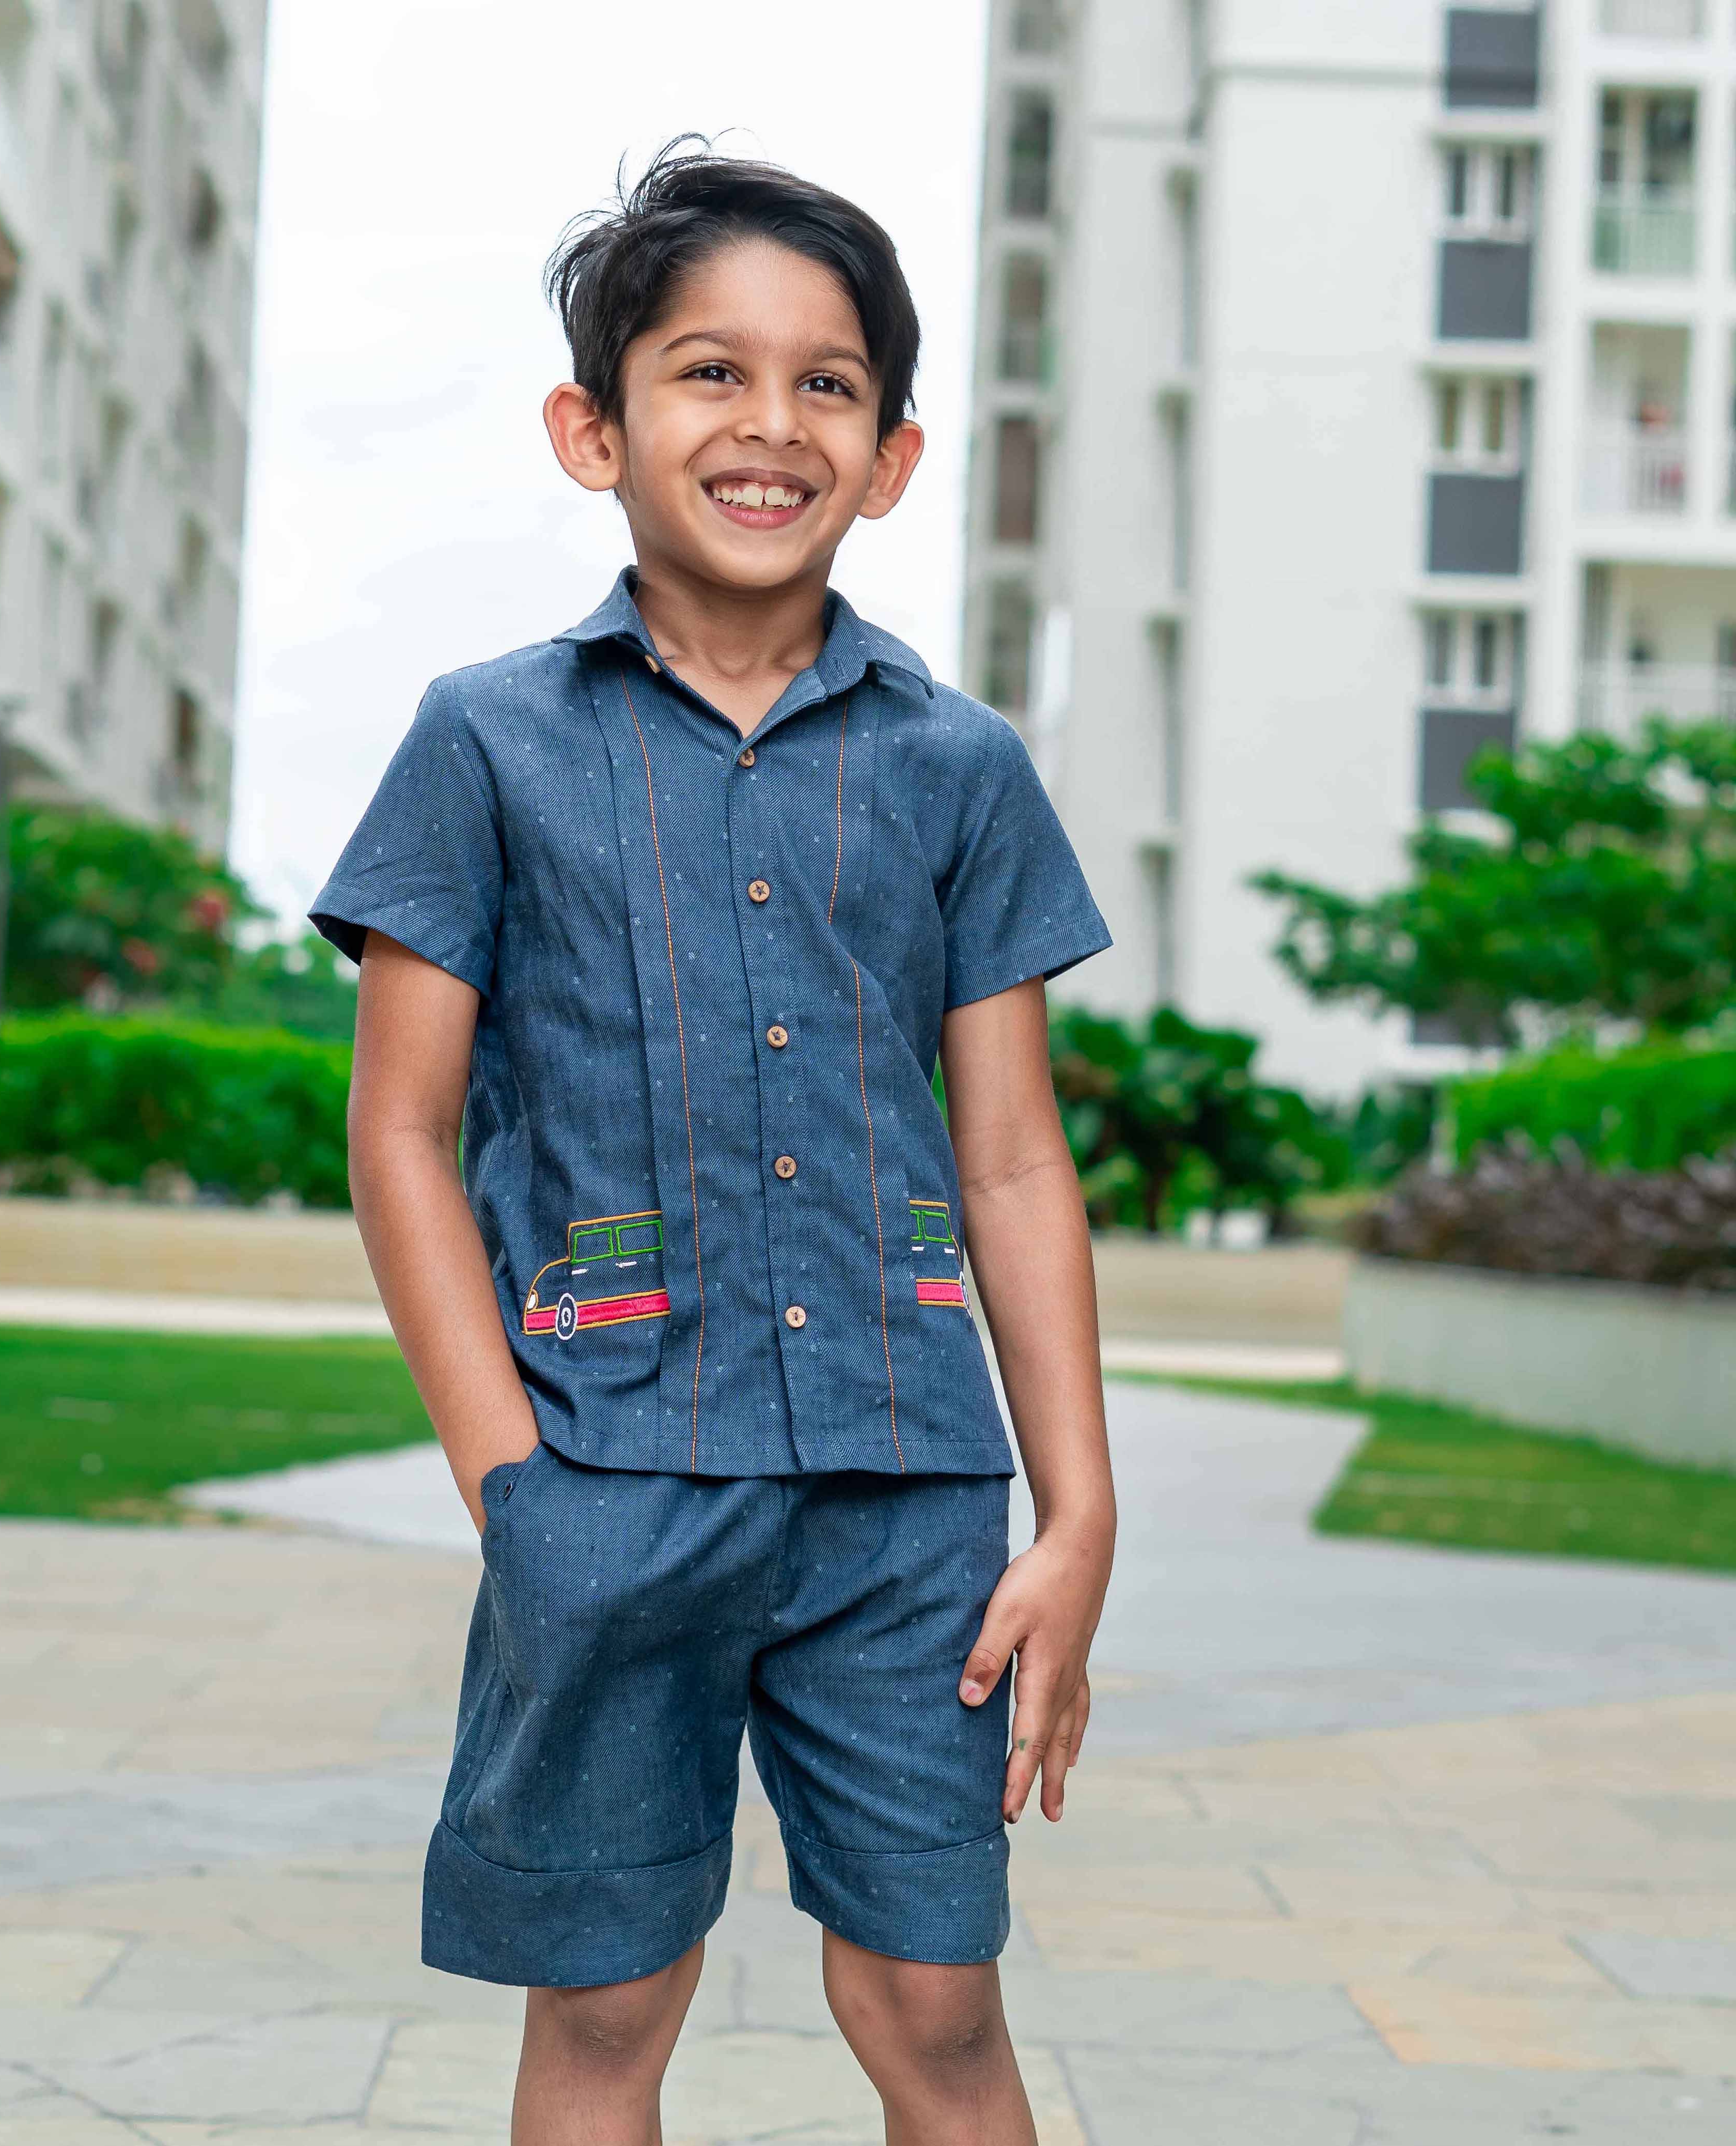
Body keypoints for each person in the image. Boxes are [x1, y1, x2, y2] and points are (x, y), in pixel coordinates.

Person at [312, 142, 1116, 2146]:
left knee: (934, 1999)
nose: (769, 425)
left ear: (897, 451)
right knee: (603, 2017)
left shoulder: (959, 769)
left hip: (908, 1495)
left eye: (825, 382)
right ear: (594, 429)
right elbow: (400, 1135)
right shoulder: (482, 740)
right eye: (706, 372)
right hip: (604, 1477)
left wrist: (1075, 1513)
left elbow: (1014, 1161)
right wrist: (513, 1483)